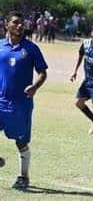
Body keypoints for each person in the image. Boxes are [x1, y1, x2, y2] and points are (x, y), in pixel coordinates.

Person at [0, 11, 48, 190]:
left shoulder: (31, 48)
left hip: (21, 104)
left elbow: (43, 73)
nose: (20, 26)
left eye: (22, 23)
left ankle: (23, 177)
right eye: (15, 23)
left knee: (20, 141)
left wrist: (35, 87)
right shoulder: (0, 46)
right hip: (0, 101)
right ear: (7, 24)